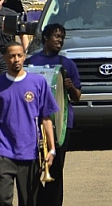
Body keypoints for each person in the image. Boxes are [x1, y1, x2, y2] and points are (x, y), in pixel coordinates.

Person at [0, 42, 58, 206]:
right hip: (2, 150)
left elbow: (46, 118)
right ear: (5, 59)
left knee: (30, 200)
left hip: (30, 151)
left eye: (19, 55)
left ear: (24, 57)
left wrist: (51, 149)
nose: (16, 59)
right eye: (11, 56)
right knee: (1, 198)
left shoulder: (38, 83)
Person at [25, 23, 81, 206]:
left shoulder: (67, 64)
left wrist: (70, 86)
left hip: (61, 125)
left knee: (56, 169)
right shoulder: (31, 62)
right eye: (56, 36)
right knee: (31, 168)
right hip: (34, 124)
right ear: (45, 38)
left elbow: (78, 97)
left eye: (62, 38)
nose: (59, 41)